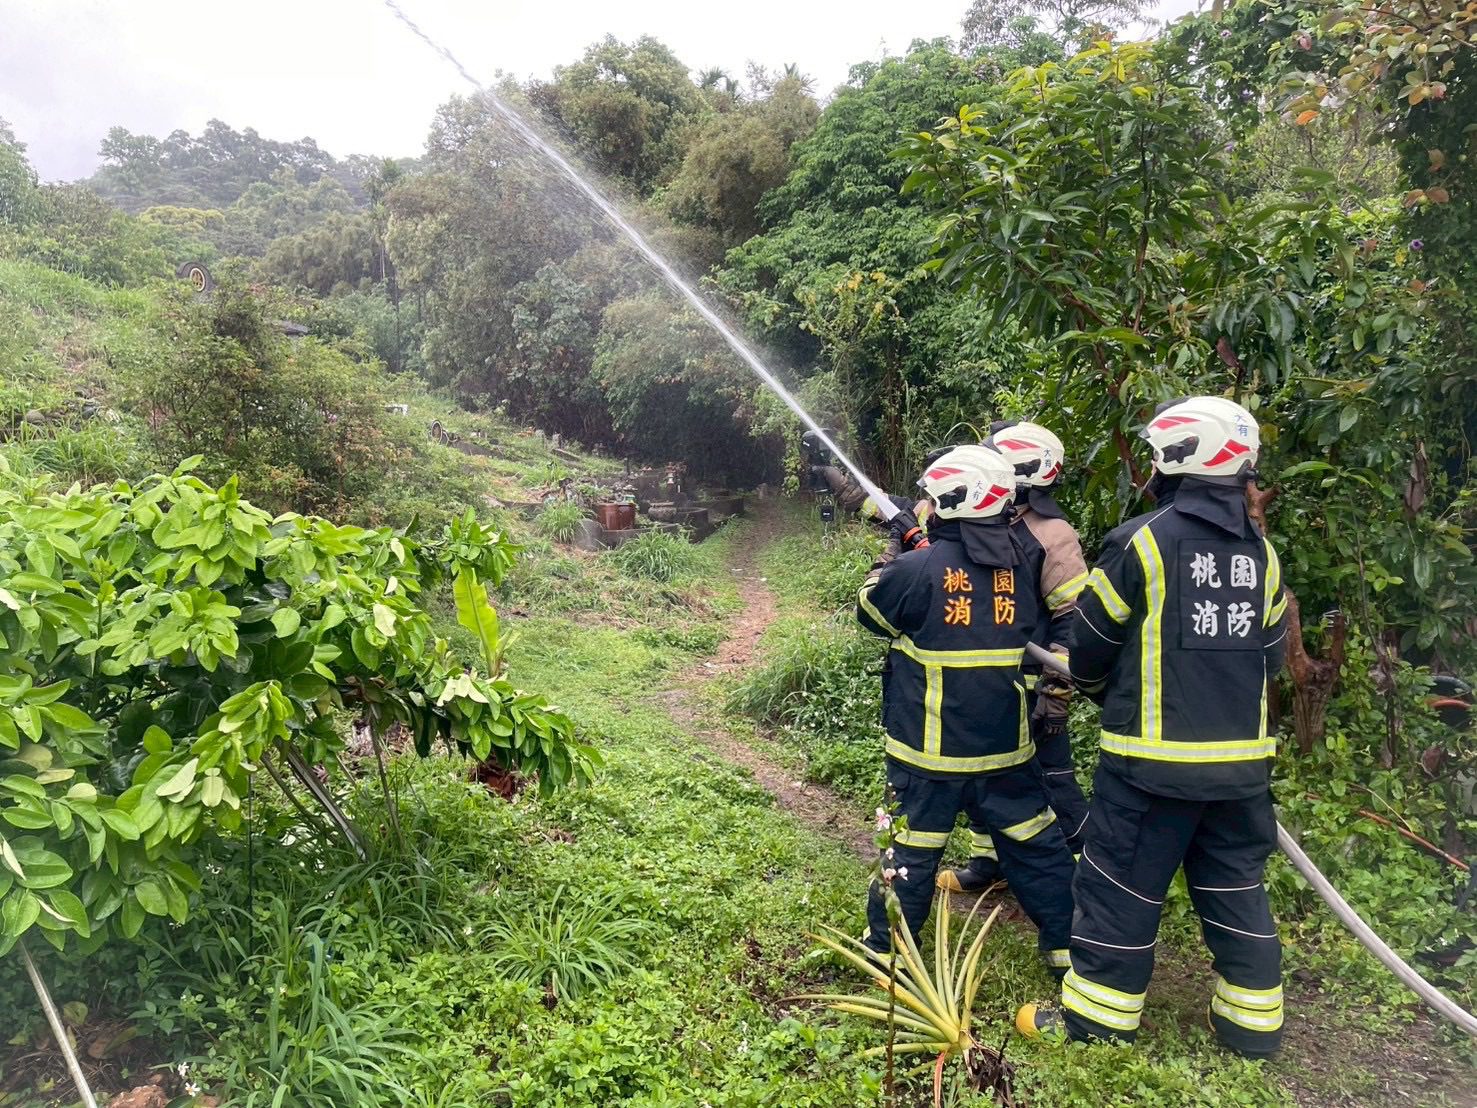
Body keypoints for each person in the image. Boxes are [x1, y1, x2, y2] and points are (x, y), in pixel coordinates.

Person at [1016, 396, 1289, 1058]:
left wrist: (1093, 685)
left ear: (1174, 457)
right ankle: (1252, 1029)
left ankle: (1097, 1024)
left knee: (1119, 889)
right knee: (1233, 888)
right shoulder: (1261, 553)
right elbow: (1274, 650)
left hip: (1150, 770)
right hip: (1240, 772)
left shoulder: (1141, 542)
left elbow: (1088, 648)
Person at [855, 446, 1075, 978]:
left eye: (933, 498)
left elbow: (870, 608)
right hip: (1005, 748)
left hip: (927, 754)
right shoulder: (1022, 564)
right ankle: (1069, 945)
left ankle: (887, 952)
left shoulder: (917, 566)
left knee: (909, 850)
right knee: (1036, 844)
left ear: (951, 500)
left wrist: (899, 547)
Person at [938, 422, 1090, 894]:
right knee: (980, 780)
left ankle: (1086, 873)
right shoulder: (990, 523)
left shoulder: (1051, 533)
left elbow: (1072, 620)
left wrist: (1057, 692)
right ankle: (989, 863)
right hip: (987, 679)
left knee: (1052, 781)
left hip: (1033, 682)